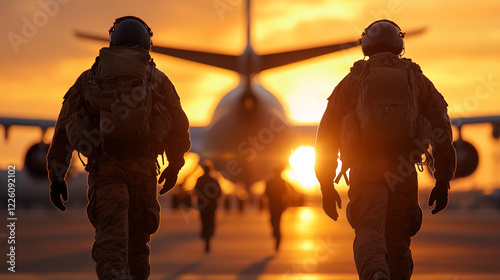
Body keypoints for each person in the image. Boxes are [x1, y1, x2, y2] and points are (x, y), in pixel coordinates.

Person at [46, 16, 191, 280]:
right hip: (143, 173)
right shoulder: (157, 80)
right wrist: (174, 166)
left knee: (111, 244)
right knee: (138, 245)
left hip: (106, 170)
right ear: (146, 43)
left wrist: (57, 176)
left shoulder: (89, 79)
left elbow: (64, 128)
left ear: (113, 41)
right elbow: (179, 126)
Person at [314, 20, 456, 280]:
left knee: (369, 230)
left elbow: (327, 134)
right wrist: (443, 180)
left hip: (365, 168)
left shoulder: (353, 80)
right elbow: (442, 130)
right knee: (398, 237)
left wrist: (326, 184)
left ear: (365, 44)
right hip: (403, 169)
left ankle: (376, 273)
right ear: (398, 44)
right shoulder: (417, 79)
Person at [193, 164, 222, 253]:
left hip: (202, 205)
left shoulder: (199, 180)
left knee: (204, 221)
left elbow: (195, 191)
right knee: (211, 221)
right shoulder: (214, 180)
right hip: (212, 205)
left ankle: (206, 236)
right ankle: (208, 236)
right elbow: (220, 193)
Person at [264, 167, 288, 251]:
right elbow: (285, 193)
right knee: (276, 221)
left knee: (273, 221)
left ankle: (276, 235)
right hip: (278, 205)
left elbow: (265, 193)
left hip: (273, 205)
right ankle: (277, 235)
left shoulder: (270, 181)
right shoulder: (282, 181)